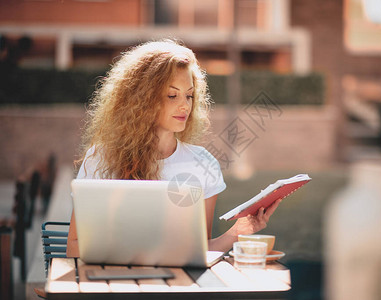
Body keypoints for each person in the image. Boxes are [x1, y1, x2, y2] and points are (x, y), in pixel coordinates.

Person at [66, 39, 281, 257]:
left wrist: (239, 231)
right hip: (113, 284)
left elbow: (199, 251)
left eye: (189, 95)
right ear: (142, 100)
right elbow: (73, 247)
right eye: (172, 95)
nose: (185, 105)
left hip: (176, 286)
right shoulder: (101, 157)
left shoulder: (203, 164)